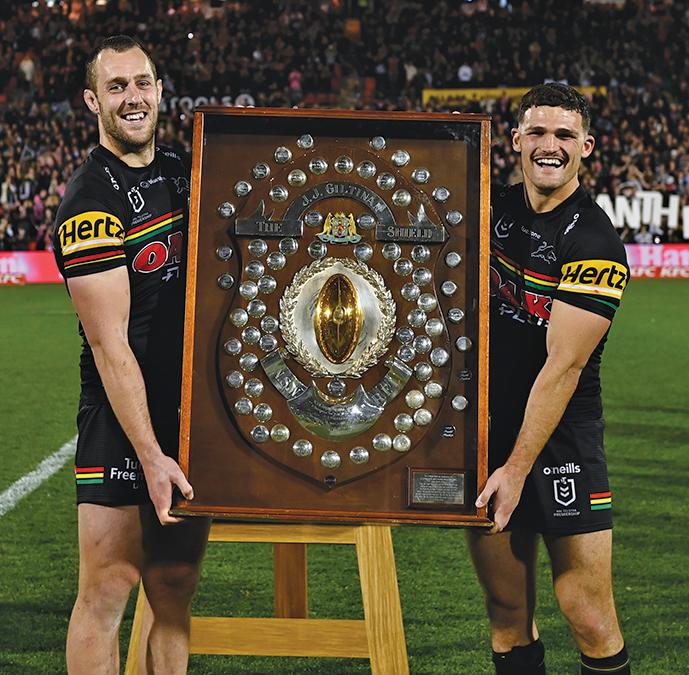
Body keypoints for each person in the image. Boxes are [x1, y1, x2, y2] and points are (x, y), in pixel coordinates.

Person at [53, 35, 210, 674]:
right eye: (116, 86)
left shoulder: (186, 171)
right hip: (120, 418)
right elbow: (108, 344)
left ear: (160, 90)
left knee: (172, 588)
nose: (133, 97)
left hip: (188, 411)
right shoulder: (89, 201)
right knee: (108, 586)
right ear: (93, 101)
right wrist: (150, 454)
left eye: (142, 82)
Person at [467, 83, 631, 675]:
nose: (549, 145)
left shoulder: (596, 244)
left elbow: (563, 369)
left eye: (565, 134)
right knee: (506, 609)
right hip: (491, 428)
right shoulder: (488, 209)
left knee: (586, 611)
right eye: (537, 131)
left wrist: (515, 470)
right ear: (515, 140)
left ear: (586, 147)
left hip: (563, 437)